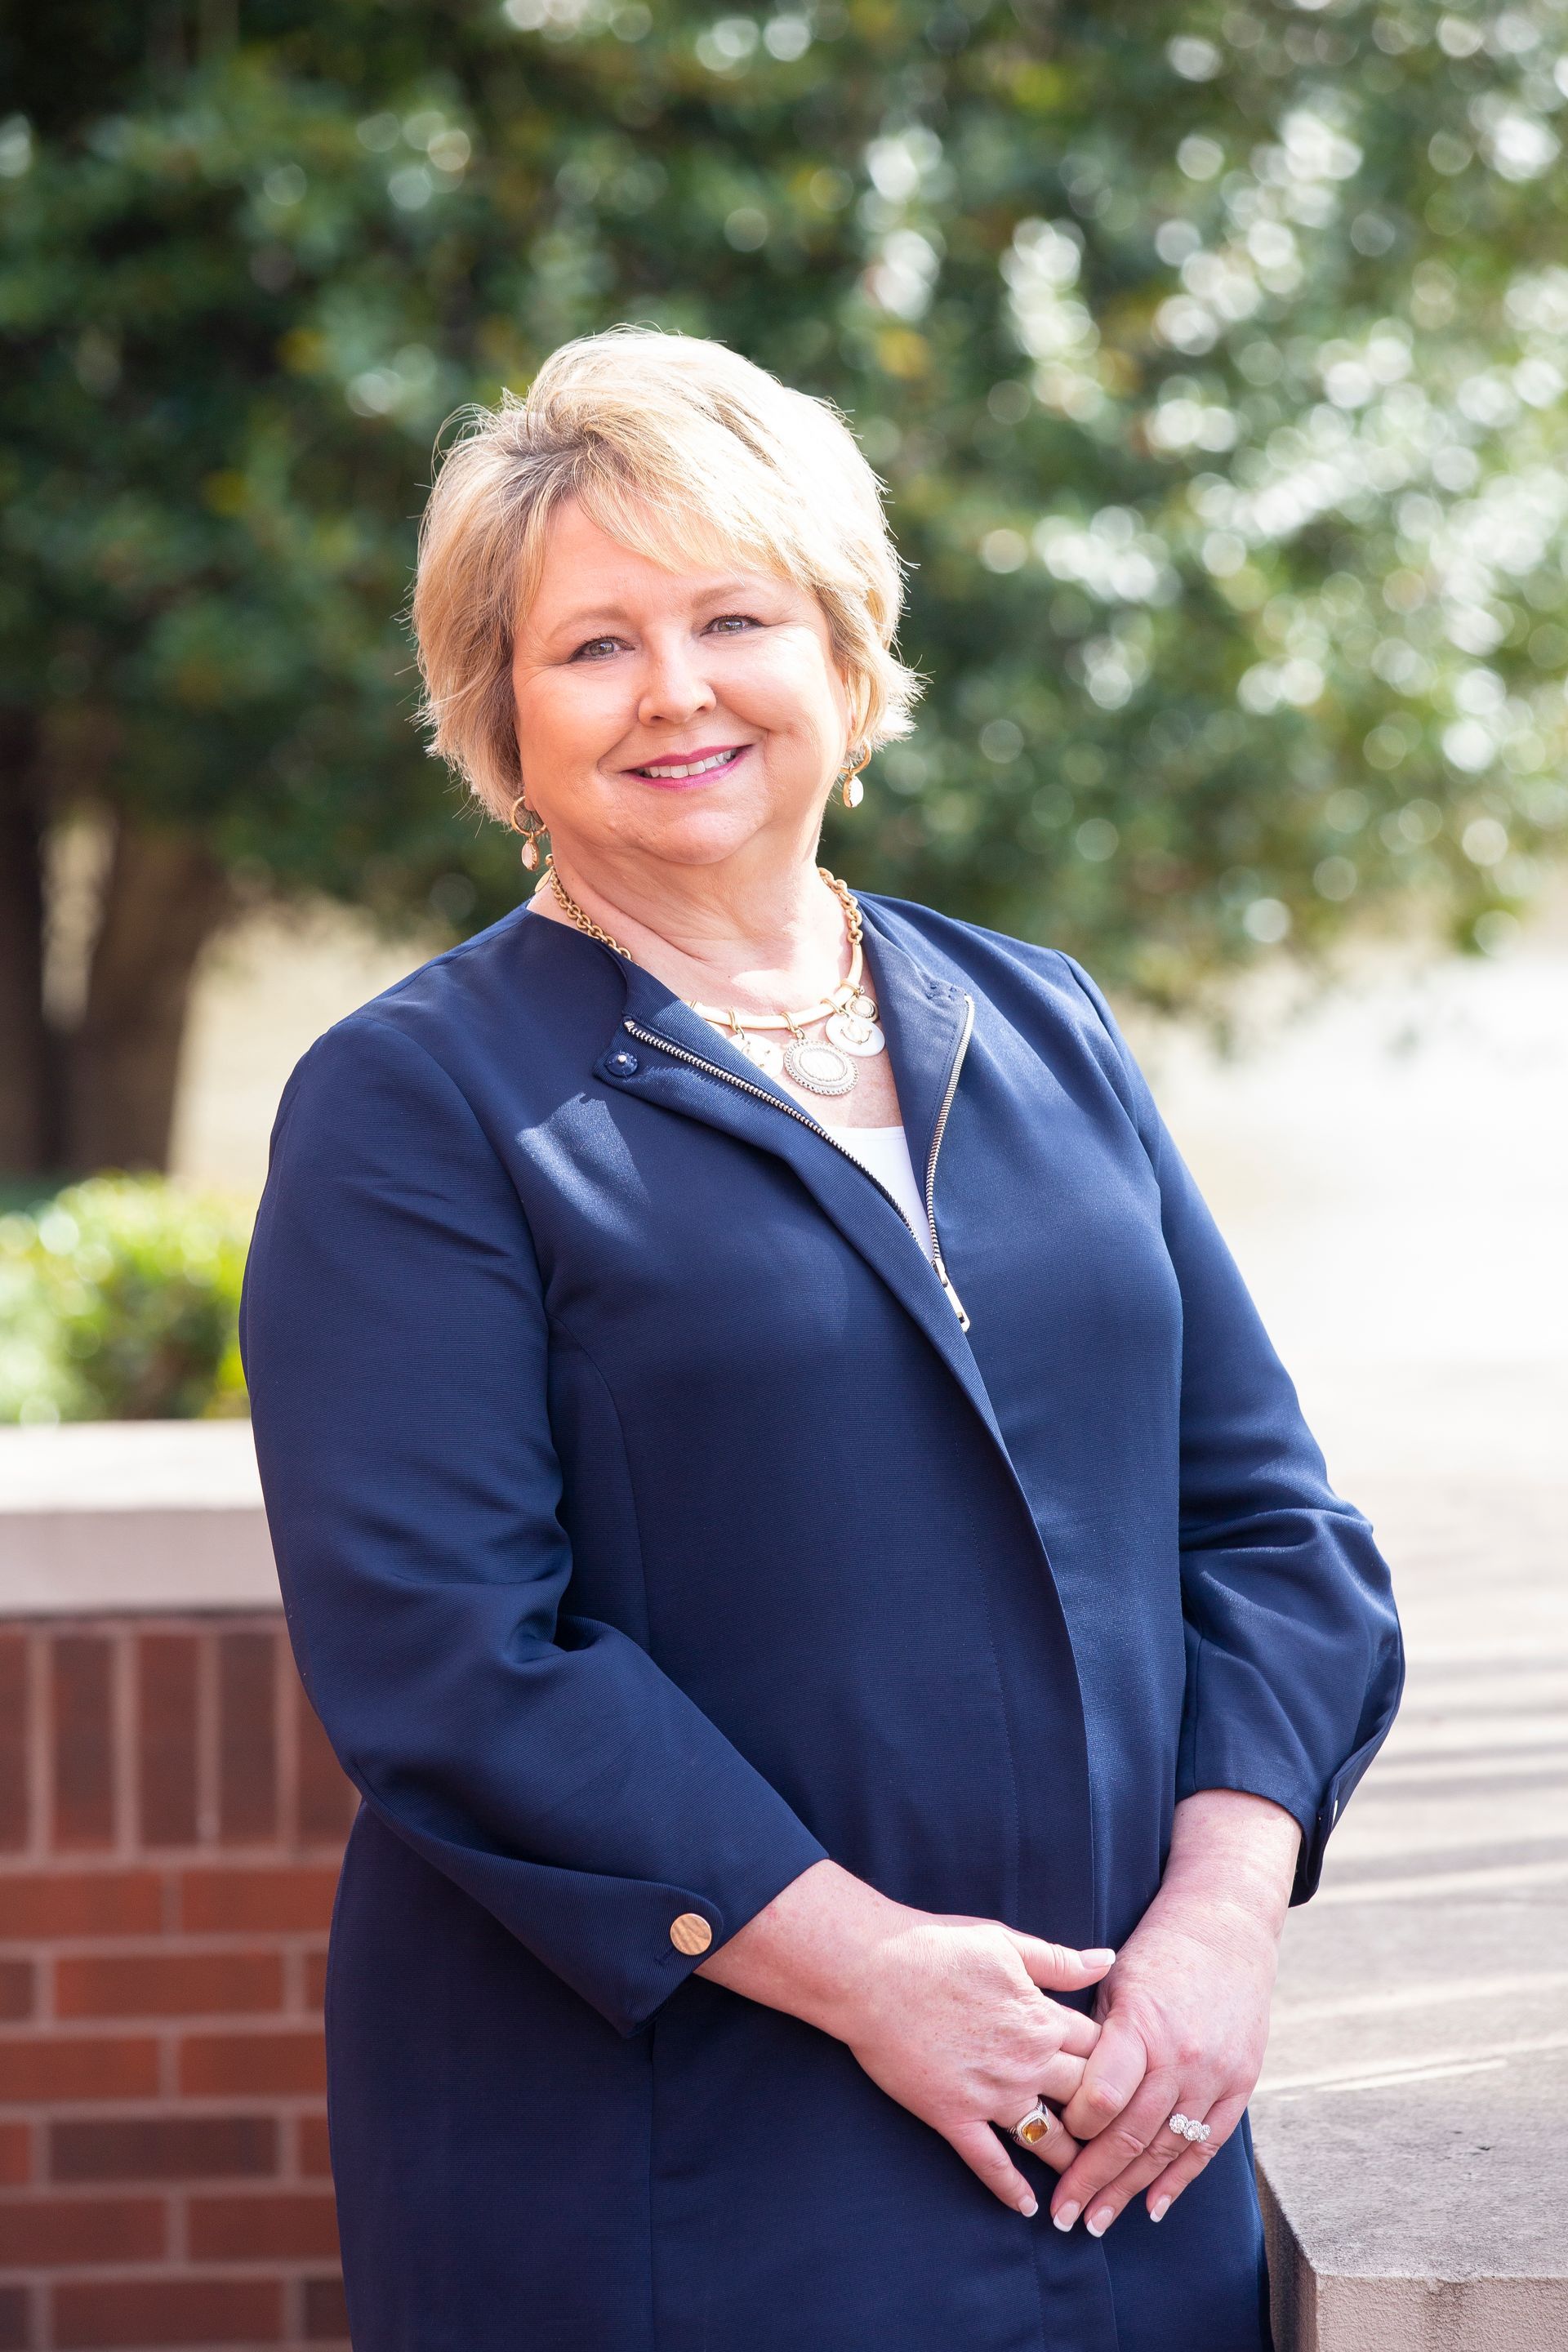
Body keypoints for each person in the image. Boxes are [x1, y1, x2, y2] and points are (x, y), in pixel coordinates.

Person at [240, 327, 1402, 2352]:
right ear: (500, 715)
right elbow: (451, 1656)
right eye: (593, 646)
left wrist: (1223, 1923)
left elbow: (1271, 1533)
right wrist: (871, 1974)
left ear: (846, 654)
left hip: (1127, 2140)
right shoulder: (416, 1106)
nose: (677, 691)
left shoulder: (1043, 1025)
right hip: (682, 2170)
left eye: (734, 618)